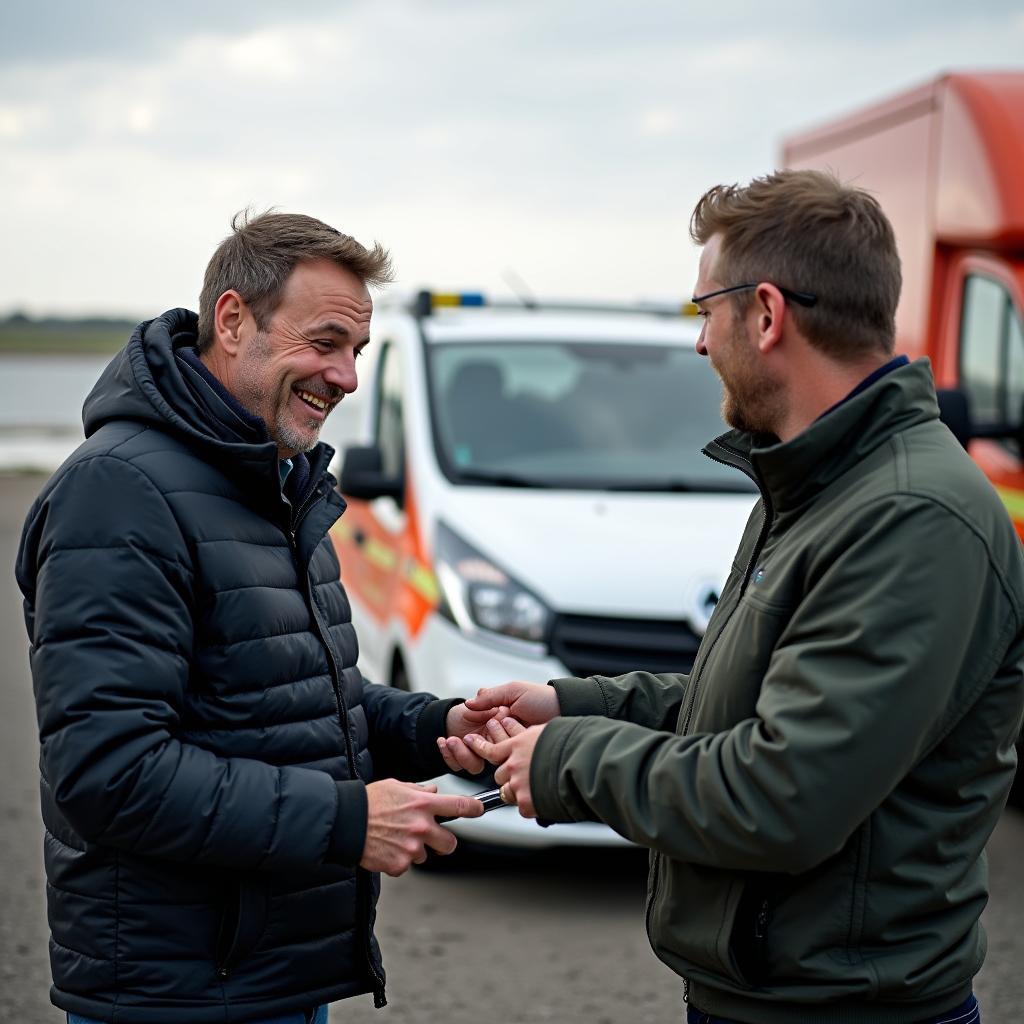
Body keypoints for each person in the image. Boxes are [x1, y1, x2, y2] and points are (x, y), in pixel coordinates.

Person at [445, 171, 1024, 1024]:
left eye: (703, 312)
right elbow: (743, 703)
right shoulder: (820, 482)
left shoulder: (909, 515)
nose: (699, 342)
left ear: (764, 313)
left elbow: (783, 794)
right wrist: (565, 702)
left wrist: (568, 758)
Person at [15, 211, 497, 1024]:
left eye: (357, 352)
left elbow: (294, 703)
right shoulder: (119, 493)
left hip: (274, 979)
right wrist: (347, 820)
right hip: (179, 995)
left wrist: (441, 725)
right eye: (324, 342)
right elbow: (107, 772)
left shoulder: (278, 479)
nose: (346, 377)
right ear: (233, 321)